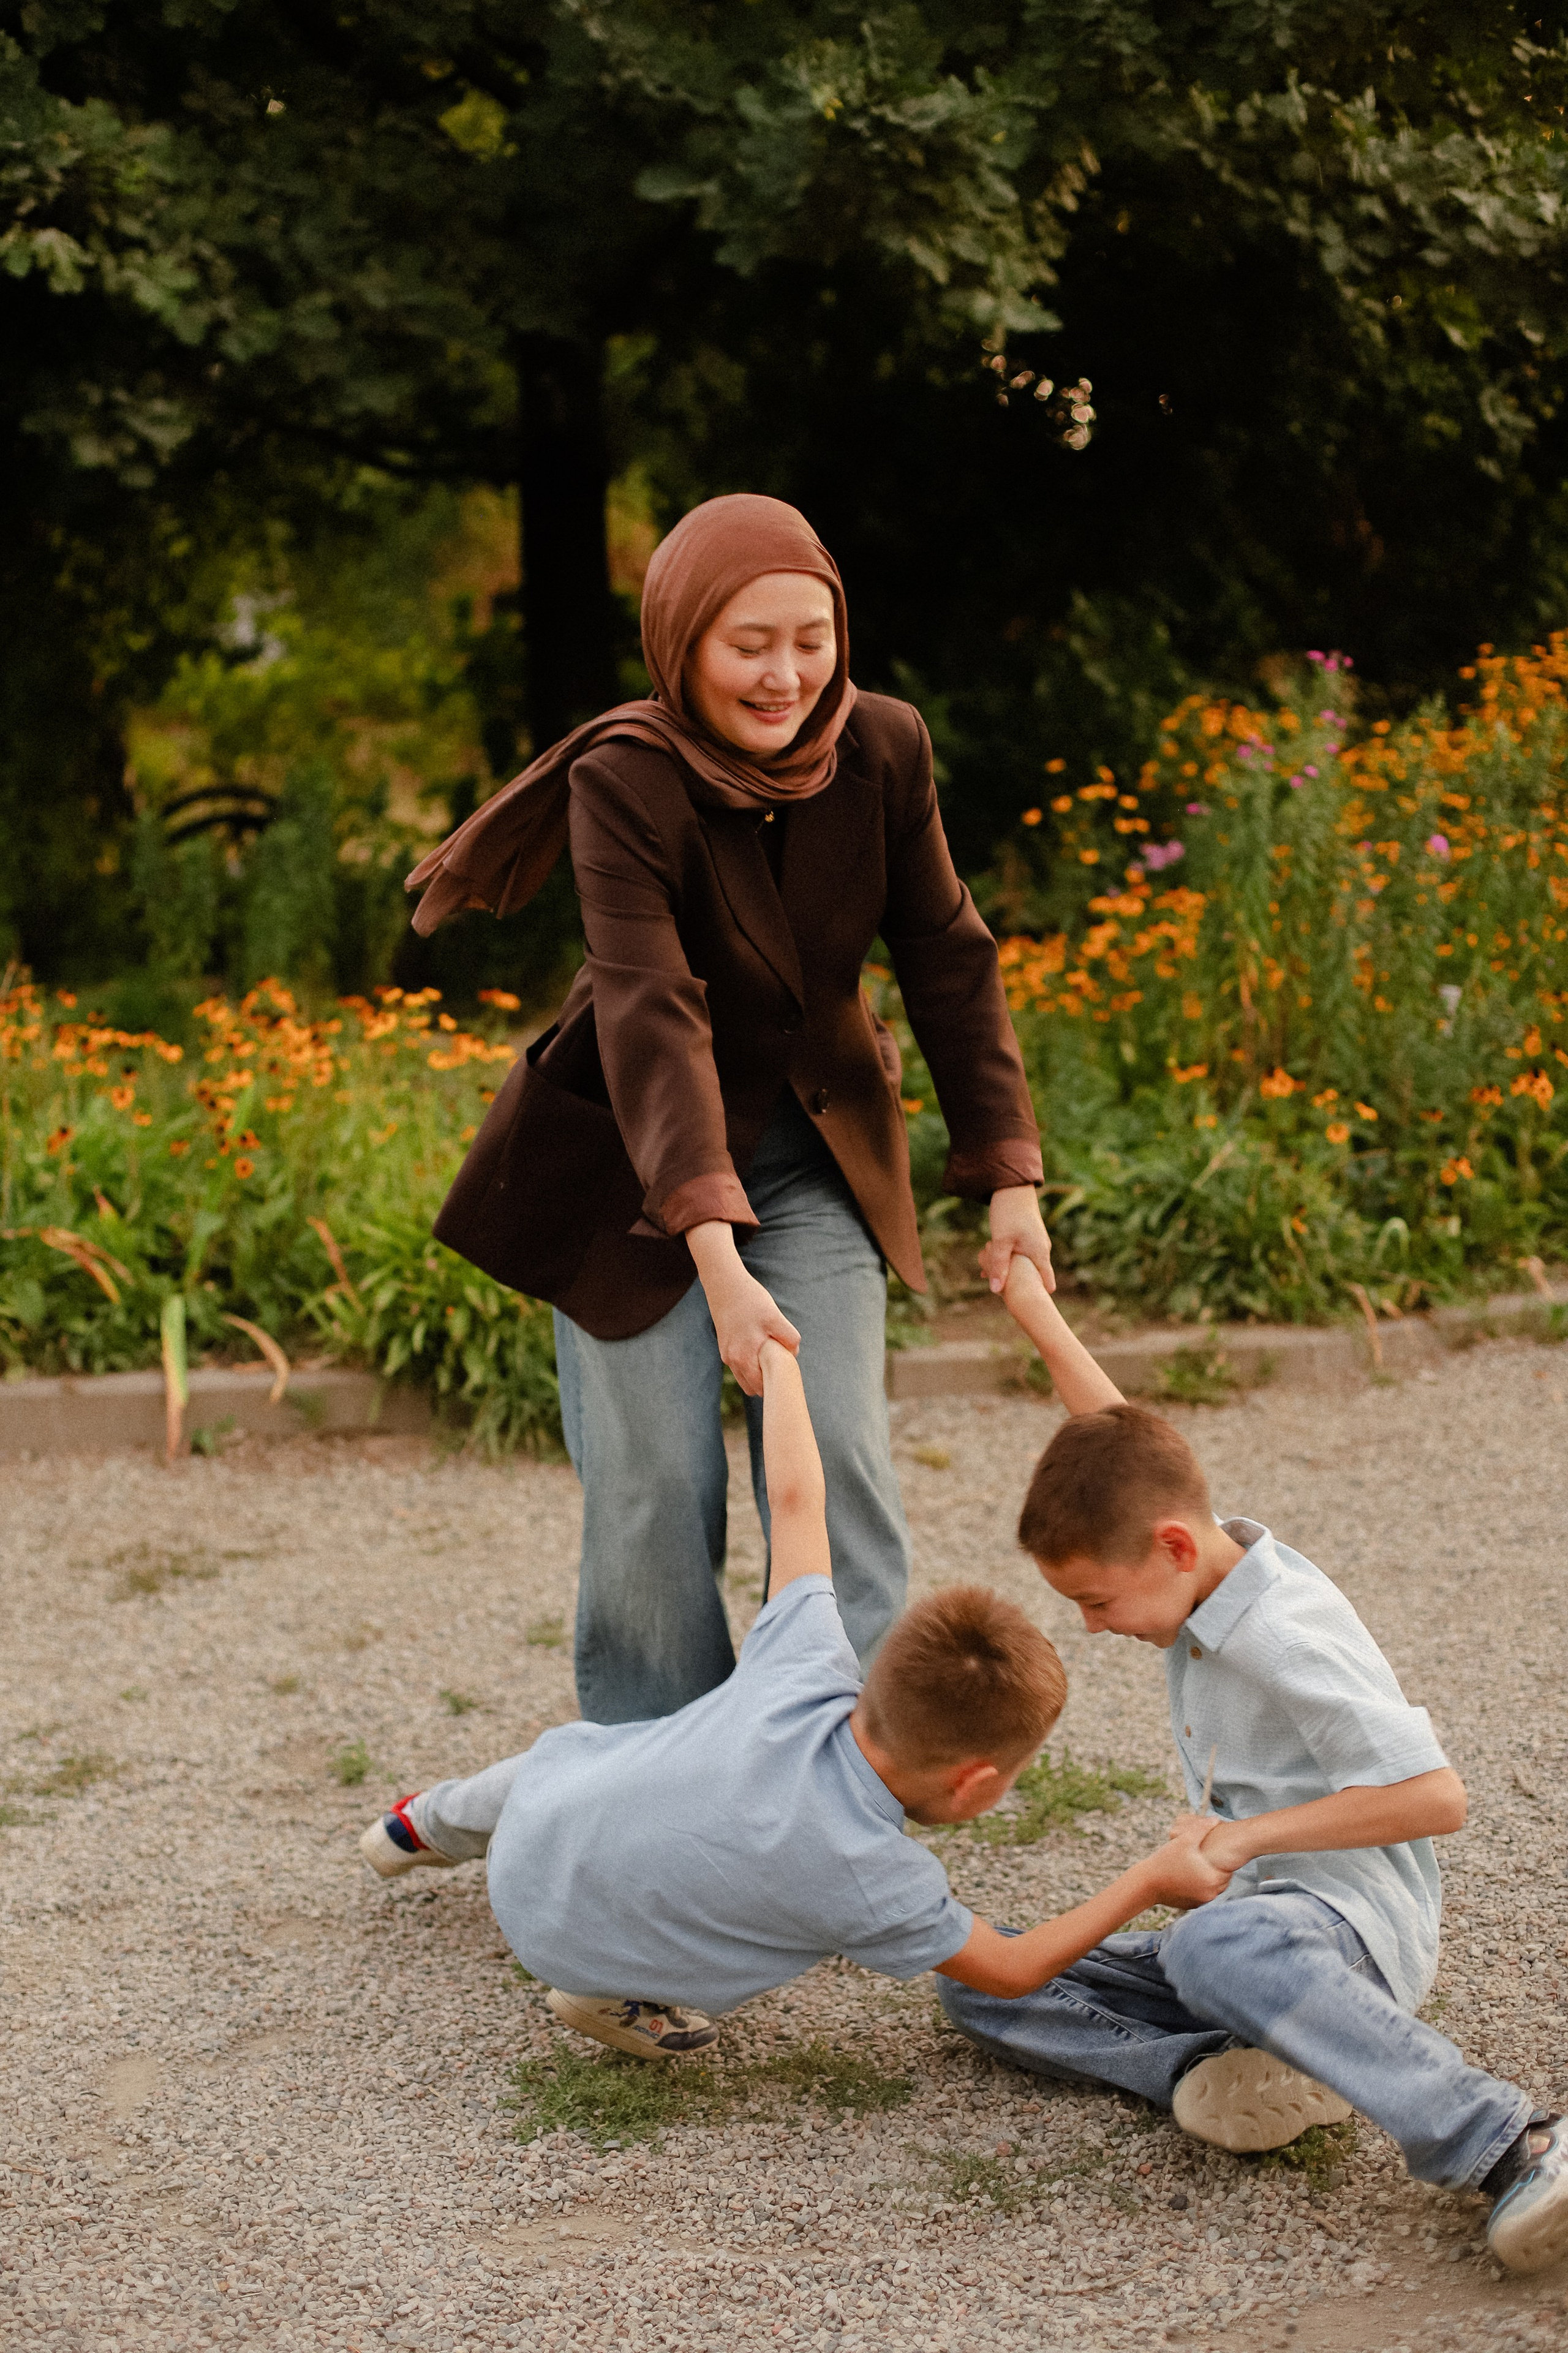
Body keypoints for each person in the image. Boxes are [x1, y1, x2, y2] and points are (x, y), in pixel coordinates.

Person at [405, 493, 1051, 1727]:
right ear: (681, 641)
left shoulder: (883, 749)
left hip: (812, 1157)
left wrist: (1007, 1176)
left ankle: (847, 1765)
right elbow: (649, 1012)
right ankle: (653, 1773)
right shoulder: (623, 777)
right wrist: (712, 1250)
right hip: (626, 1174)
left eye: (809, 638)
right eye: (747, 642)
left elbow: (947, 953)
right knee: (656, 1488)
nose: (785, 674)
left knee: (843, 1460)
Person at [938, 1256, 1568, 2278]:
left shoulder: (1282, 1635)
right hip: (1254, 1932)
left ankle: (1510, 2141)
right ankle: (1221, 2067)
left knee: (1205, 1950)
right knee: (981, 1978)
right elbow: (1124, 1441)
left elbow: (1436, 1797)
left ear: (1174, 1550)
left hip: (1347, 1934)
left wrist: (1241, 1840)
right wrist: (1032, 1308)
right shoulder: (1196, 1556)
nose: (1093, 1627)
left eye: (1097, 1601)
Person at [359, 1339, 1231, 2061]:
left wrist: (778, 1368)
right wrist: (1148, 1877)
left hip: (537, 1826)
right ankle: (620, 1994)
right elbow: (1005, 1968)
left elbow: (795, 1498)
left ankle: (419, 1823)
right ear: (972, 1782)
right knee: (688, 1895)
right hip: (564, 1950)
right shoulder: (876, 1878)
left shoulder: (809, 1660)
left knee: (584, 1753)